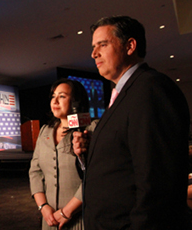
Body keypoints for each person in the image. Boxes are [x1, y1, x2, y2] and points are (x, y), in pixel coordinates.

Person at [72, 16, 191, 229]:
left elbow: (157, 183)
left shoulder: (150, 90)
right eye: (93, 47)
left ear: (130, 46)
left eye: (103, 44)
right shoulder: (123, 93)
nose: (93, 54)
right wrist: (86, 153)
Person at [29, 78, 93, 230]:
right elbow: (35, 171)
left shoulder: (91, 130)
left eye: (62, 96)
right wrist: (43, 207)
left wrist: (67, 212)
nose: (55, 101)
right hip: (49, 219)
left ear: (76, 102)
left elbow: (95, 176)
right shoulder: (45, 130)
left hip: (80, 219)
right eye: (53, 96)